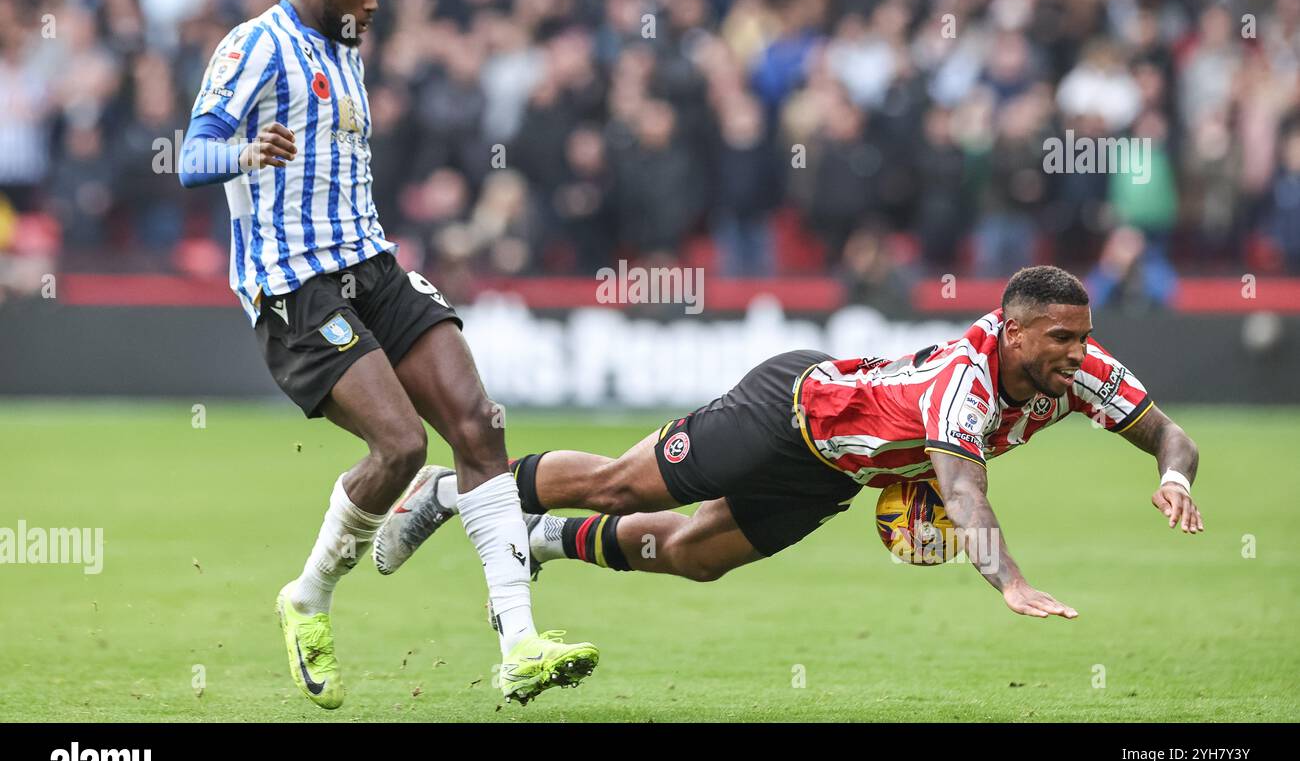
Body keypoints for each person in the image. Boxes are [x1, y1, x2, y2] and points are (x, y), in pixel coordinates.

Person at [177, 0, 596, 708]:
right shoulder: (254, 46)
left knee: (479, 424)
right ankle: (307, 599)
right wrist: (243, 152)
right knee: (401, 445)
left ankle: (520, 644)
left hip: (372, 263)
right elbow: (189, 153)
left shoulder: (345, 50)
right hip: (295, 285)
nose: (372, 4)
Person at [376, 265, 1202, 624]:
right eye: (1061, 337)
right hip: (788, 410)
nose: (1078, 351)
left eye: (1083, 336)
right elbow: (962, 492)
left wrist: (1177, 480)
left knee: (695, 557)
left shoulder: (1078, 372)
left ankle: (548, 541)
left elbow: (1171, 435)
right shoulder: (968, 381)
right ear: (1014, 332)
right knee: (622, 488)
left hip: (831, 471)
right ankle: (453, 492)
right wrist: (1010, 582)